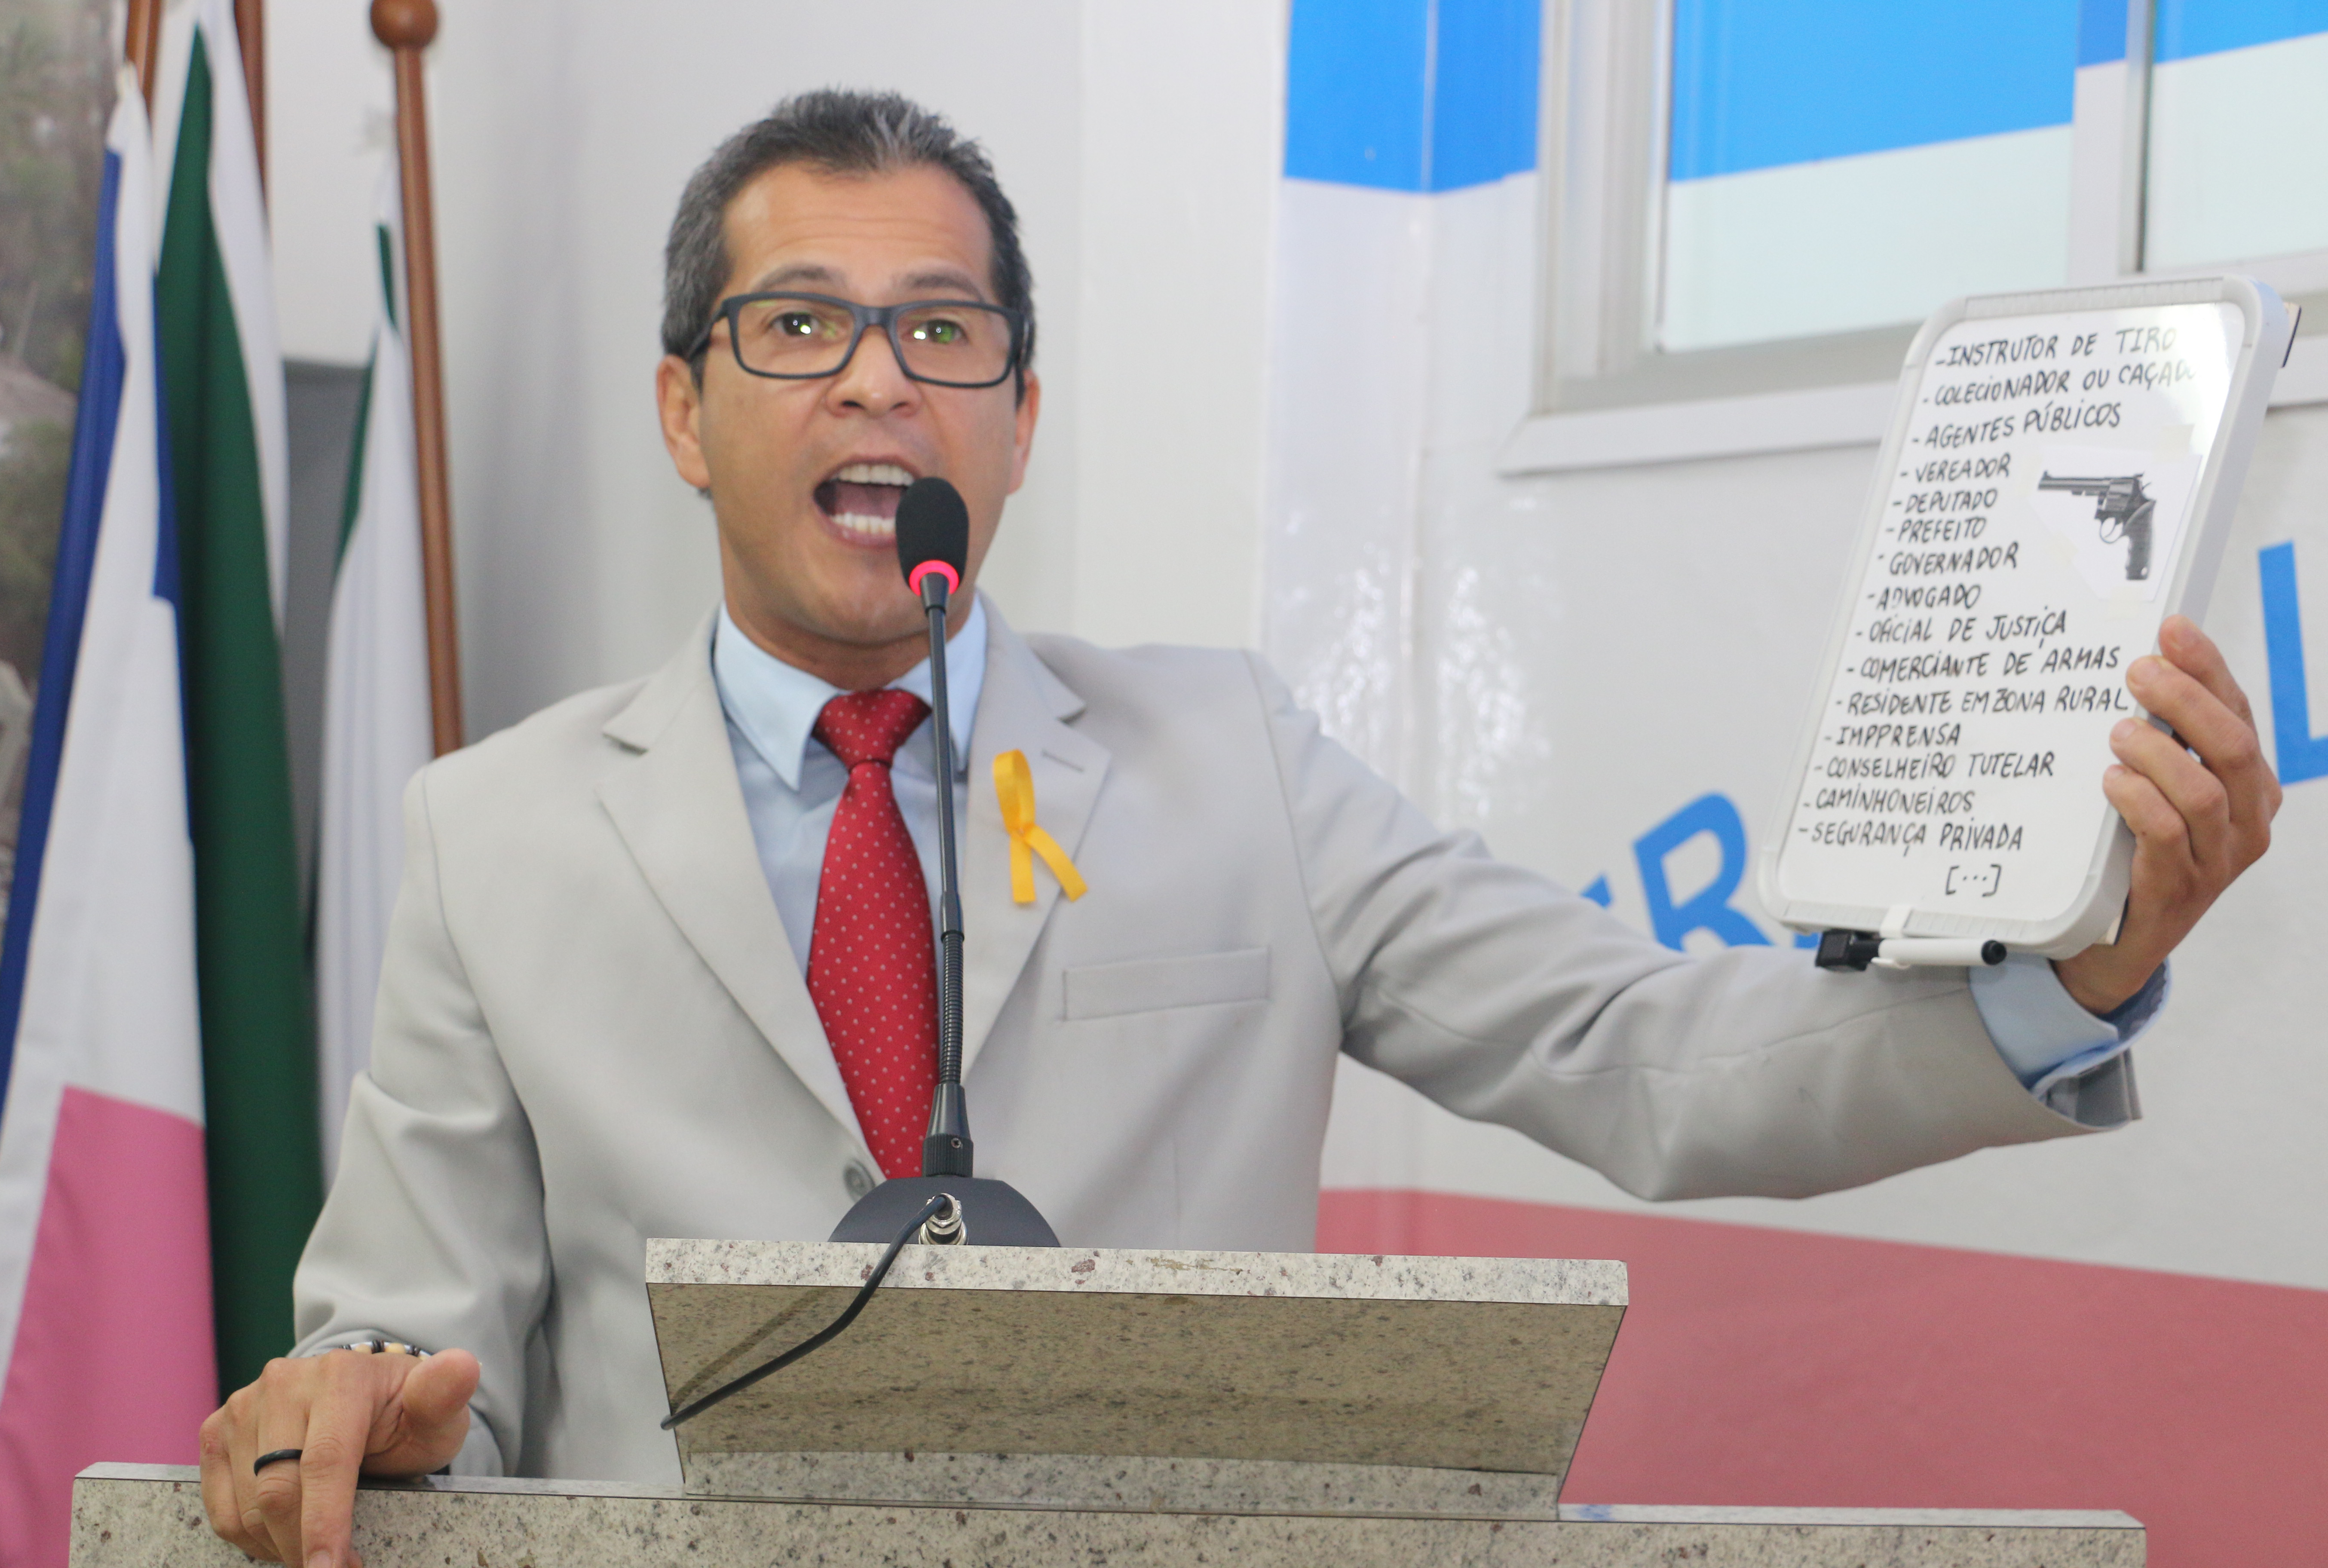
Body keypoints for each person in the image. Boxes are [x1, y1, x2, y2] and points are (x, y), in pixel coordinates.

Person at [198, 90, 2279, 1566]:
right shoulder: (493, 833)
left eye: (944, 332)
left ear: (1020, 419)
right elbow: (404, 1338)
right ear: (686, 409)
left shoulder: (1234, 763)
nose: (878, 383)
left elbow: (1640, 1055)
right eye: (799, 325)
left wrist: (2066, 977)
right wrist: (354, 1398)